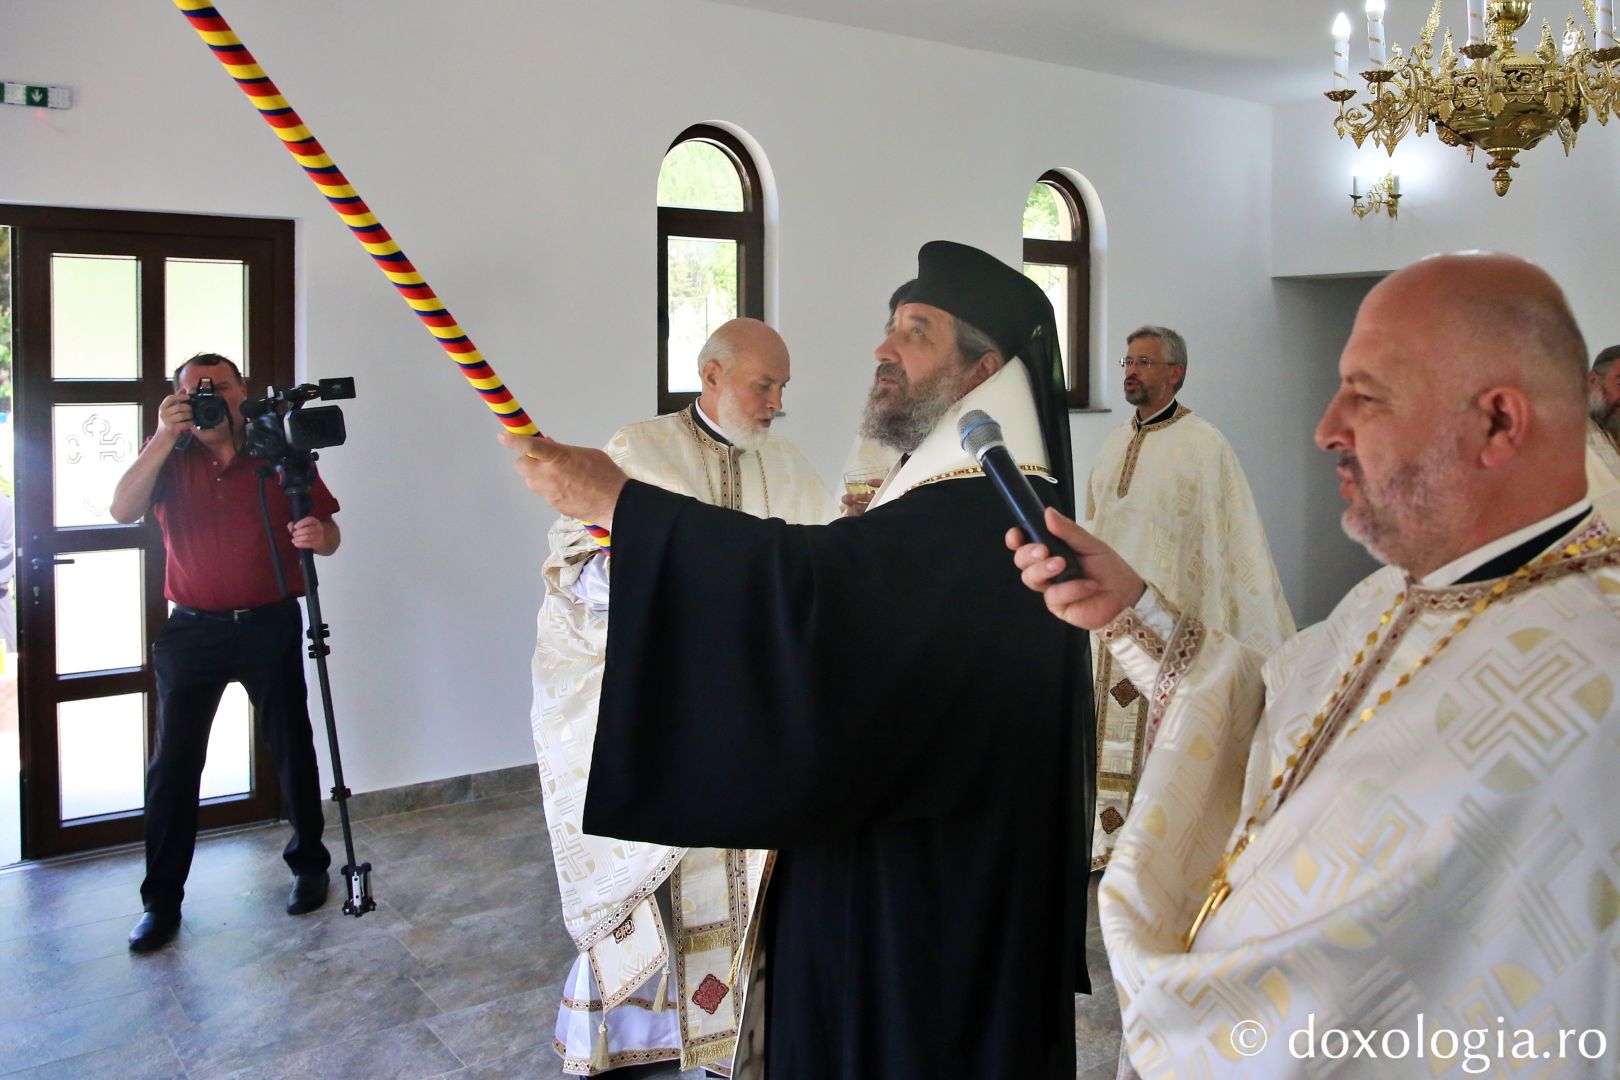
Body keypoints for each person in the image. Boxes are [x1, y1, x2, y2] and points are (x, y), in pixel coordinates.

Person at [1013, 253, 1620, 1078]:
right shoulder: (1385, 599)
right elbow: (1264, 713)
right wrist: (1132, 611)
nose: (1326, 426)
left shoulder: (1597, 663)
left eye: (1366, 396)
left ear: (1499, 423)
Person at [503, 241, 1093, 1079]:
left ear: (982, 371)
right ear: (711, 376)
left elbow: (817, 594)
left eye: (915, 333)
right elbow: (827, 590)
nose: (883, 352)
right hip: (926, 873)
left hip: (924, 910)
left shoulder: (980, 509)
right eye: (889, 330)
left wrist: (622, 506)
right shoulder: (969, 492)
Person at [533, 318, 834, 1075]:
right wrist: (632, 577)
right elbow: (577, 572)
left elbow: (813, 577)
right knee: (663, 873)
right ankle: (637, 1035)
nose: (774, 404)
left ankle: (738, 1033)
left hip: (758, 717)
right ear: (711, 374)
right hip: (670, 712)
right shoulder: (635, 452)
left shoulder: (792, 466)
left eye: (782, 390)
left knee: (754, 875)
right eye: (763, 385)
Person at [109, 352, 341, 953]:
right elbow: (121, 508)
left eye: (223, 387)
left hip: (268, 621)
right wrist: (164, 434)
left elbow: (328, 527)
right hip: (191, 632)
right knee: (174, 768)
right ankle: (161, 901)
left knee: (292, 745)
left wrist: (322, 537)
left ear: (245, 392)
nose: (210, 397)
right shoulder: (167, 456)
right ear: (177, 399)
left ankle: (309, 866)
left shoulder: (277, 449)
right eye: (194, 390)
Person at [1084, 325, 1293, 868]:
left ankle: (1158, 846)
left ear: (1175, 373)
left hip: (1170, 621)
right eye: (1128, 361)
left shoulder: (1204, 444)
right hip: (1108, 625)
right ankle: (1105, 843)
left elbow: (1229, 538)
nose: (1130, 371)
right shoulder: (1112, 445)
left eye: (1145, 362)